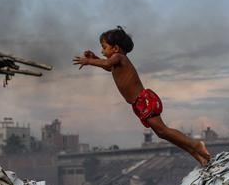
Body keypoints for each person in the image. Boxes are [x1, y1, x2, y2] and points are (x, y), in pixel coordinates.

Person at [73, 26, 211, 166]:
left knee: (163, 130)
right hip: (138, 104)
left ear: (115, 48)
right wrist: (95, 58)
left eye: (104, 47)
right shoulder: (115, 62)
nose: (102, 51)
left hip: (144, 101)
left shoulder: (119, 57)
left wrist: (89, 61)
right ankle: (199, 156)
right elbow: (108, 67)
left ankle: (197, 145)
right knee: (162, 133)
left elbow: (107, 63)